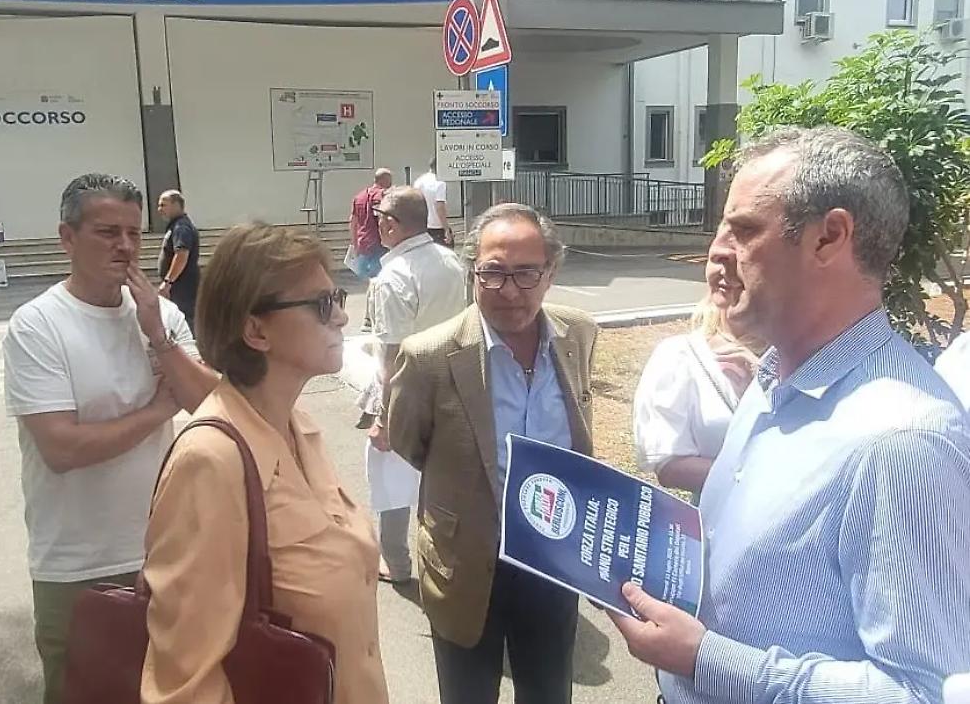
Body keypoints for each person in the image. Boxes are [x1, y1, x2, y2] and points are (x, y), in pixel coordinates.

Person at [609, 127, 970, 704]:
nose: (716, 250)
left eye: (745, 230)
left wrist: (707, 659)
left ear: (829, 238)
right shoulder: (770, 379)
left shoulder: (904, 441)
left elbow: (921, 692)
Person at [141, 223, 388, 704]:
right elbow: (182, 682)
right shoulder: (211, 460)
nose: (340, 317)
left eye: (336, 297)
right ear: (255, 329)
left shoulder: (299, 426)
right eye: (321, 304)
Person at [2, 173, 217, 704]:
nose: (124, 246)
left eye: (133, 232)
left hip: (166, 553)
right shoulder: (37, 326)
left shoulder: (160, 315)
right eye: (106, 232)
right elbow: (62, 449)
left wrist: (158, 335)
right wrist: (156, 411)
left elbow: (209, 403)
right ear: (66, 237)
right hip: (78, 565)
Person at [387, 203, 597, 704]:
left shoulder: (578, 334)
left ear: (551, 273)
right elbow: (408, 441)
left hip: (552, 557)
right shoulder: (428, 355)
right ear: (472, 272)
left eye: (527, 273)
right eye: (494, 273)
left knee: (548, 691)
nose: (510, 291)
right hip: (465, 562)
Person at [365, 186, 466, 584]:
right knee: (441, 478)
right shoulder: (451, 261)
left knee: (389, 477)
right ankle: (445, 562)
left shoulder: (394, 275)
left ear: (391, 224)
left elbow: (393, 353)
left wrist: (384, 417)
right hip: (451, 383)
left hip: (407, 392)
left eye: (379, 220)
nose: (377, 226)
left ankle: (398, 563)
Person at [632, 258, 764, 500]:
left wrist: (766, 377)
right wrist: (766, 480)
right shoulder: (679, 356)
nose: (727, 271)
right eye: (718, 259)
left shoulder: (804, 354)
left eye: (742, 260)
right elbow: (670, 467)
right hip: (721, 528)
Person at [349, 168, 393, 330]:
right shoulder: (381, 196)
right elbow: (381, 219)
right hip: (378, 245)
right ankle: (370, 319)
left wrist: (355, 245)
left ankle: (370, 317)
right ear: (386, 180)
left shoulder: (359, 196)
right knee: (378, 282)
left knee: (372, 281)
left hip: (363, 244)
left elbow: (352, 222)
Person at [156, 189, 200, 334]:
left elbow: (181, 255)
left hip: (183, 287)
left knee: (185, 322)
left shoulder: (181, 227)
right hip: (178, 286)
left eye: (164, 205)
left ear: (176, 205)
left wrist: (168, 282)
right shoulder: (176, 226)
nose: (159, 209)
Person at [413, 157, 453, 247]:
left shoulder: (419, 181)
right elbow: (440, 207)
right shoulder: (440, 183)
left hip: (422, 226)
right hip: (437, 227)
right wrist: (446, 229)